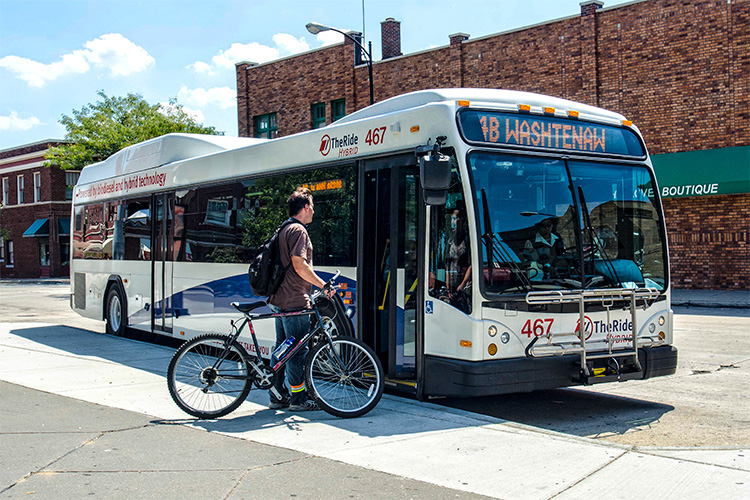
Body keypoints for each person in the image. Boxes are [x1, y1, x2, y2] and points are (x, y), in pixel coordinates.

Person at [267, 187, 334, 412]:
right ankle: (298, 399)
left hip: (279, 298)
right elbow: (299, 265)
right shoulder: (299, 231)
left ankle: (277, 393)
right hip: (294, 299)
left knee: (282, 347)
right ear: (305, 207)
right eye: (312, 206)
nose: (314, 211)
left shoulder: (284, 228)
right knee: (297, 350)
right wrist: (322, 285)